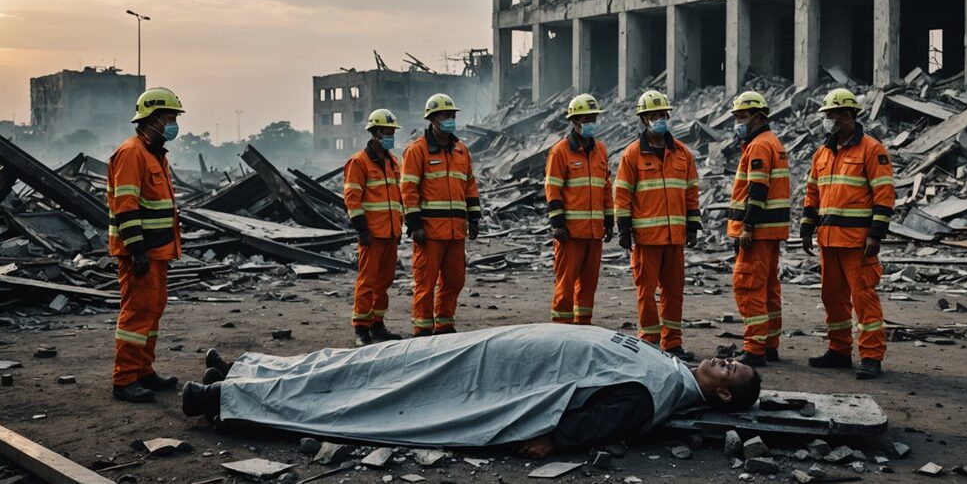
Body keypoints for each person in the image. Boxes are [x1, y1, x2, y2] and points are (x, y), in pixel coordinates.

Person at [183, 324, 762, 458]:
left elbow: (581, 428)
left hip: (490, 375)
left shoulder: (654, 396)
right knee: (370, 360)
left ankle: (222, 402)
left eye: (732, 371)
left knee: (369, 390)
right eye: (732, 358)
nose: (727, 359)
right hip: (495, 347)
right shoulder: (670, 368)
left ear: (725, 400)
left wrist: (546, 441)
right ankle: (246, 371)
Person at [801, 89, 895, 380]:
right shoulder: (823, 153)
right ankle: (839, 350)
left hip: (857, 243)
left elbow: (884, 195)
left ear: (847, 116)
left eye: (831, 116)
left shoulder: (871, 149)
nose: (827, 122)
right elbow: (812, 192)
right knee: (832, 298)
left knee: (863, 299)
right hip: (829, 241)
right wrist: (806, 226)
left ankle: (871, 356)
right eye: (826, 116)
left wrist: (875, 235)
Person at [107, 87, 184, 403]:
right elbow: (126, 205)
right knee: (137, 314)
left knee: (152, 311)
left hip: (157, 250)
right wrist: (137, 249)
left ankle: (143, 371)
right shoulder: (132, 153)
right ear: (151, 119)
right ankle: (124, 379)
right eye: (168, 118)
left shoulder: (155, 153)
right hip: (140, 252)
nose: (172, 125)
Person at [614, 91, 701, 360]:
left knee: (674, 293)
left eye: (662, 115)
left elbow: (691, 191)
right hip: (647, 238)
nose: (659, 120)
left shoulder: (682, 154)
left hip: (674, 238)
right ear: (643, 119)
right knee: (646, 294)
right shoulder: (632, 155)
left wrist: (693, 225)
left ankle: (672, 343)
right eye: (653, 116)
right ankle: (649, 343)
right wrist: (624, 228)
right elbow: (623, 193)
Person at [401, 94, 481, 336]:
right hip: (430, 232)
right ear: (433, 118)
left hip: (456, 231)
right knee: (425, 283)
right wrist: (415, 225)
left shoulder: (461, 151)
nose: (451, 119)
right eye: (446, 116)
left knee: (455, 281)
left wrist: (474, 217)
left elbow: (470, 186)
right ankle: (422, 330)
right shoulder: (417, 151)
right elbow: (408, 189)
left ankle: (444, 325)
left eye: (453, 115)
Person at [726, 92, 791, 367]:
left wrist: (747, 227)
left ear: (758, 117)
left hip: (758, 231)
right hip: (771, 232)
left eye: (742, 117)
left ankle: (754, 349)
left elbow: (757, 189)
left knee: (749, 286)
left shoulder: (759, 146)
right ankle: (769, 344)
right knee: (768, 288)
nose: (738, 122)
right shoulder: (771, 143)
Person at [544, 94, 614, 325]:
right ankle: (562, 330)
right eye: (587, 118)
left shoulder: (601, 151)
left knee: (589, 283)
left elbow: (605, 187)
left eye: (593, 117)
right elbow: (553, 189)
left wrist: (609, 220)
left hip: (594, 232)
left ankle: (583, 325)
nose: (591, 122)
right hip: (570, 233)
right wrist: (558, 225)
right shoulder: (560, 152)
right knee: (566, 284)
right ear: (574, 121)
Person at [343, 109, 405, 347]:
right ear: (376, 133)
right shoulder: (359, 162)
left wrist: (398, 227)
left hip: (390, 232)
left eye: (392, 132)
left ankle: (377, 325)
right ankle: (361, 329)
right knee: (367, 281)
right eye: (388, 132)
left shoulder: (392, 162)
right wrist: (362, 229)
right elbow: (352, 198)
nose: (391, 137)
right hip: (372, 233)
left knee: (384, 281)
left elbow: (397, 198)